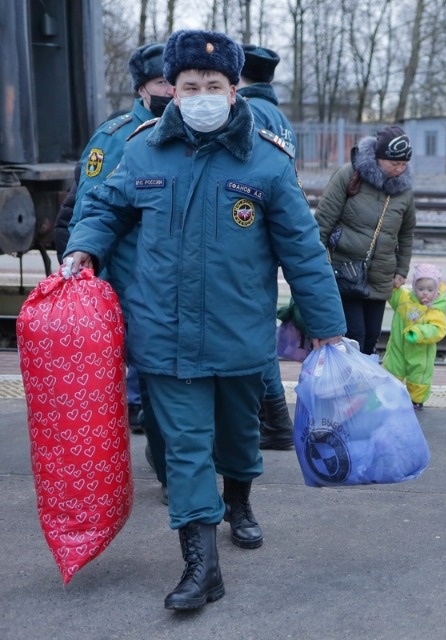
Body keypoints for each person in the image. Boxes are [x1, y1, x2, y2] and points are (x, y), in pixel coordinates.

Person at [64, 29, 346, 611]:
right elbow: (105, 206)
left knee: (239, 437)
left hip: (238, 333)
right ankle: (201, 565)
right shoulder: (143, 150)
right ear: (173, 89)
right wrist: (84, 247)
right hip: (165, 334)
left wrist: (327, 326)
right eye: (189, 85)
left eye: (213, 85)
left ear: (233, 89)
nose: (201, 95)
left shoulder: (267, 160)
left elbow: (303, 251)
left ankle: (239, 500)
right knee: (186, 447)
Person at [63, 43, 175, 499]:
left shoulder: (187, 131)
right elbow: (92, 209)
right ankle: (170, 473)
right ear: (141, 89)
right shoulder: (116, 137)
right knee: (153, 382)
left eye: (175, 82)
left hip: (173, 281)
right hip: (129, 285)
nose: (171, 91)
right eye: (161, 83)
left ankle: (173, 463)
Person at [238, 43, 298, 450]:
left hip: (249, 233)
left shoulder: (249, 113)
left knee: (251, 332)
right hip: (272, 231)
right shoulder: (279, 117)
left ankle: (275, 422)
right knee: (258, 326)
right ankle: (275, 421)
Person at [314, 125, 416, 356]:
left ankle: (364, 379)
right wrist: (318, 266)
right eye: (395, 163)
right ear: (378, 157)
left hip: (380, 275)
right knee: (354, 336)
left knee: (371, 338)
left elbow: (406, 233)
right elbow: (323, 222)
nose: (400, 169)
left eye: (404, 164)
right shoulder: (349, 175)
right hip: (344, 271)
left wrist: (401, 270)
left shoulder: (404, 191)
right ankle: (349, 379)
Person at [382, 262, 446, 410]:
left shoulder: (435, 310)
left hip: (420, 353)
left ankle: (416, 401)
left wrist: (419, 332)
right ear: (414, 287)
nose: (425, 293)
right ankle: (388, 397)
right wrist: (393, 284)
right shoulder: (404, 300)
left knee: (419, 375)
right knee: (392, 370)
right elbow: (393, 294)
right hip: (397, 348)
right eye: (420, 289)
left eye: (430, 290)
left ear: (436, 290)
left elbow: (438, 329)